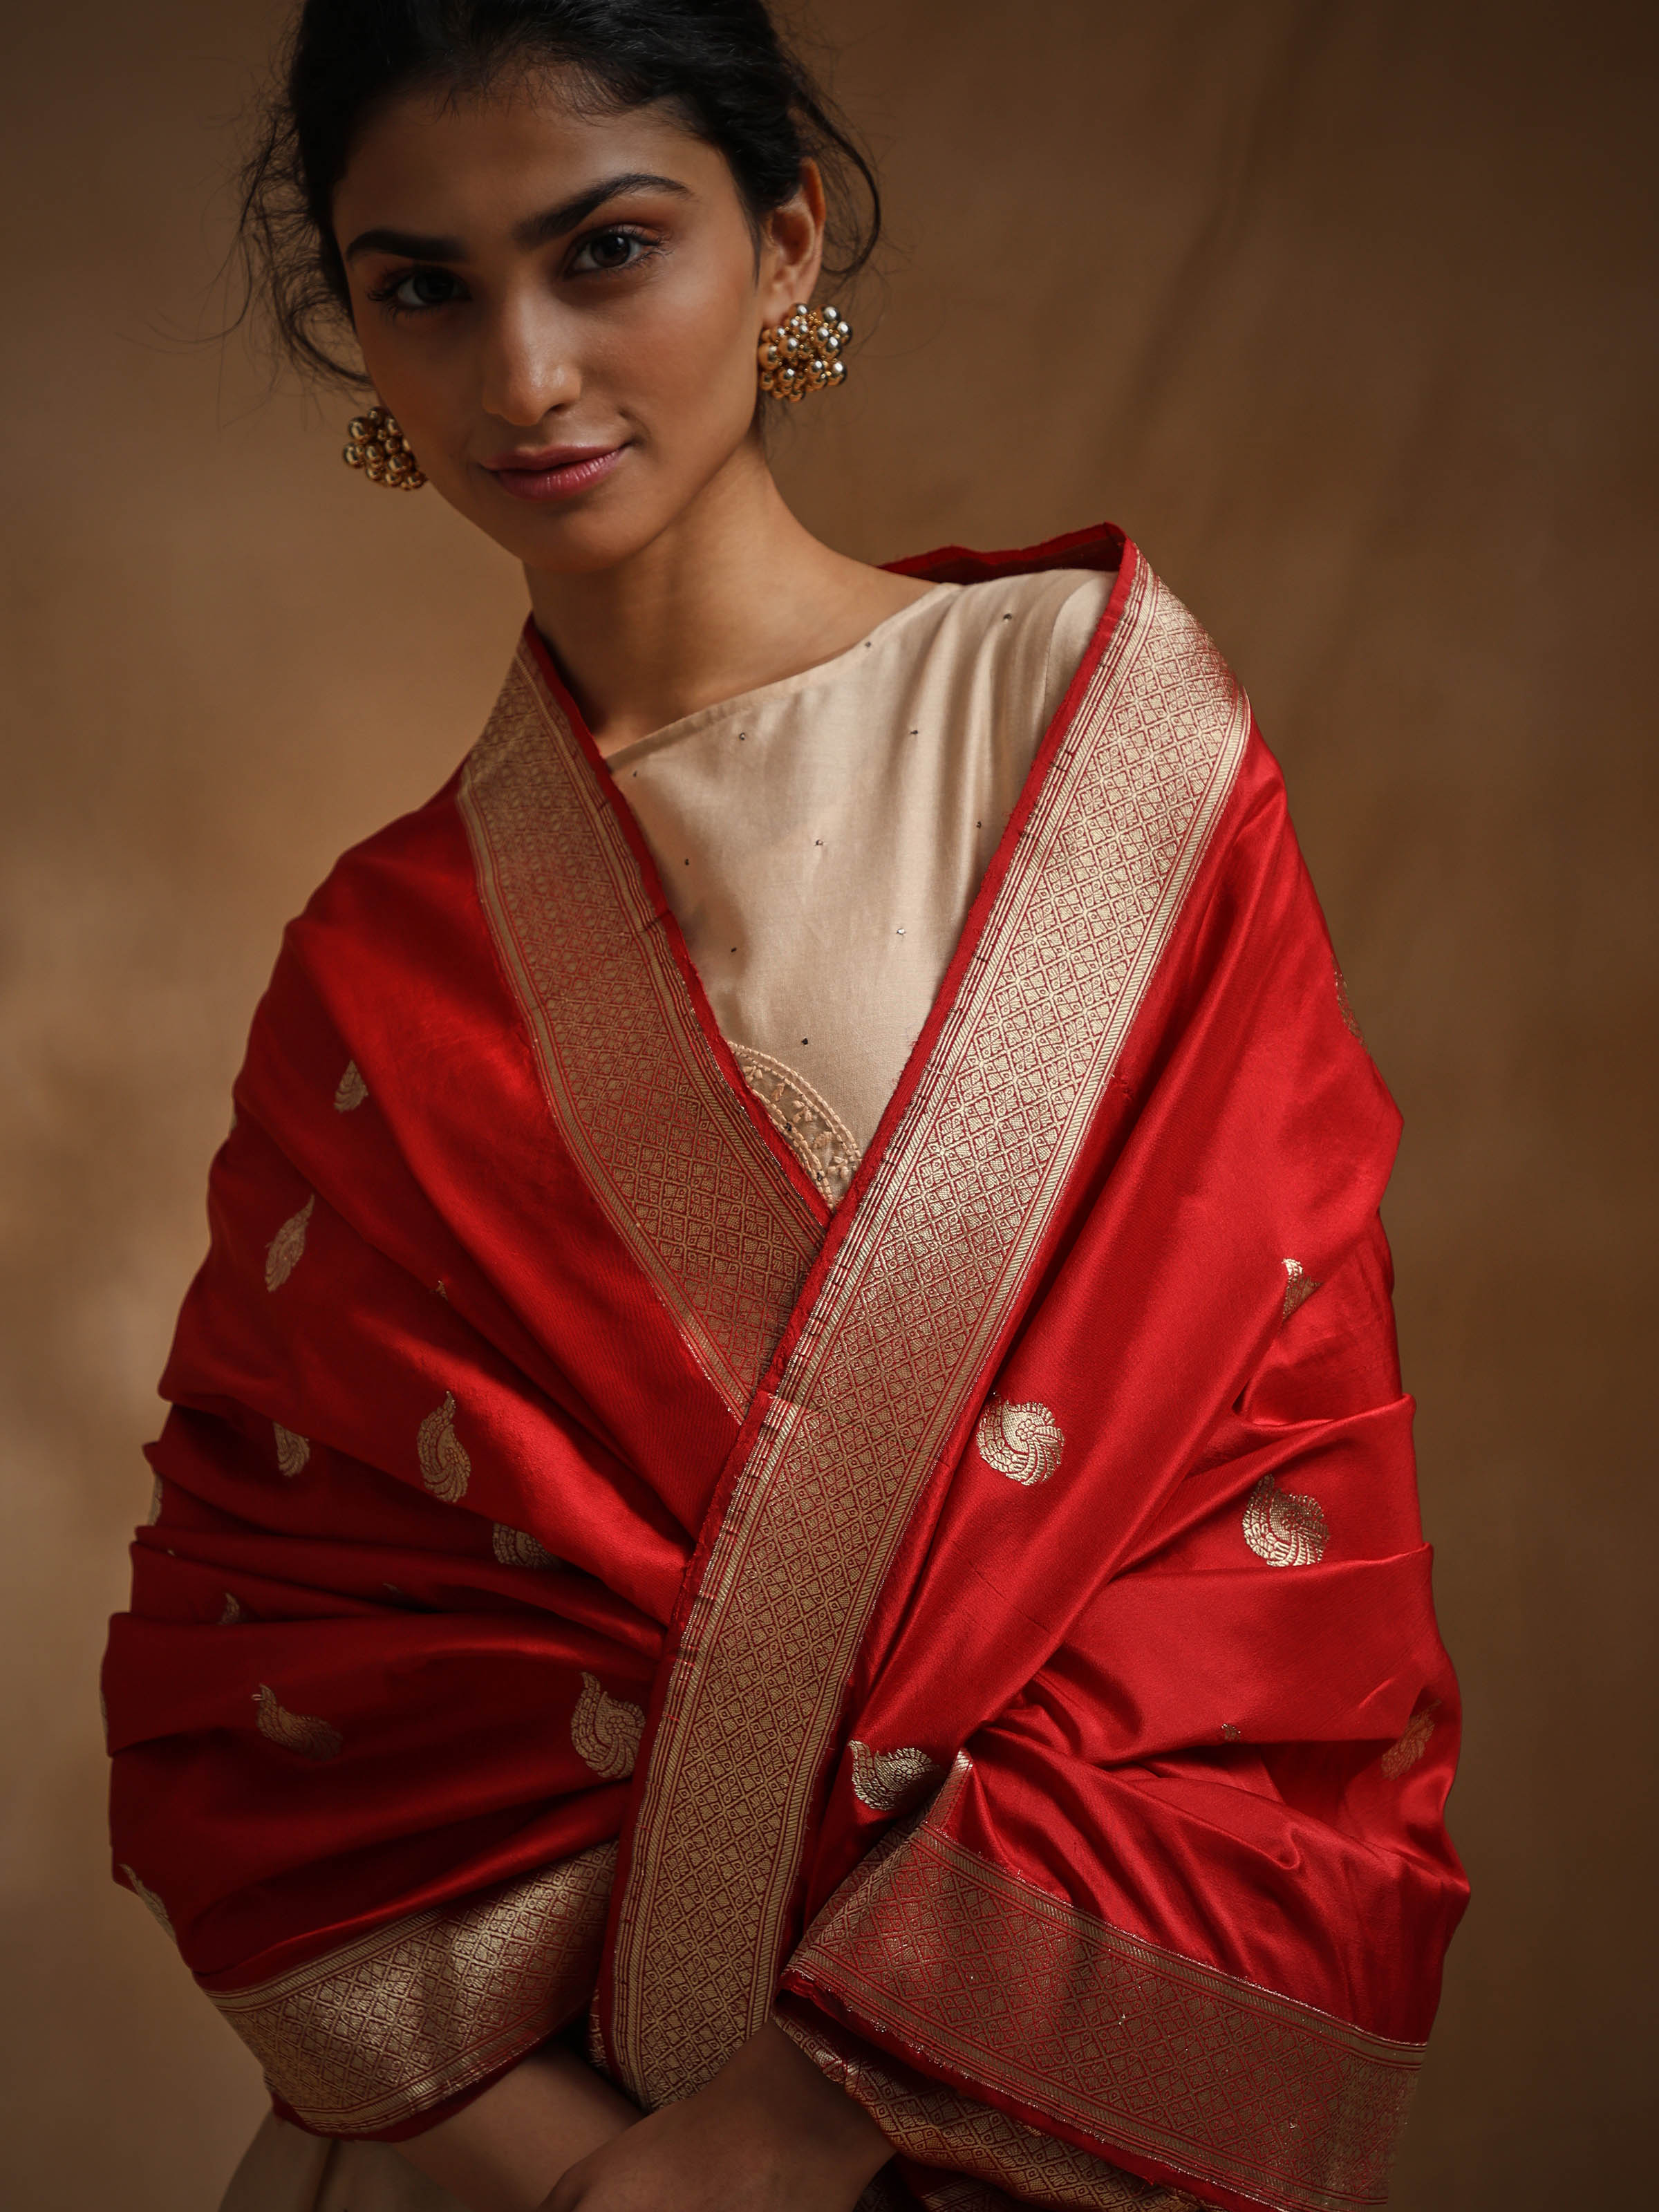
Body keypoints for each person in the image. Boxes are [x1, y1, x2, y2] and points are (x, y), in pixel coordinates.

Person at [101, 5, 1469, 2210]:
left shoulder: (1087, 736)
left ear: (788, 242)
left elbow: (1258, 1511)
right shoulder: (379, 960)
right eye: (423, 288)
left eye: (606, 251)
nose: (524, 373)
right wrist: (589, 2181)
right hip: (496, 2163)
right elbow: (260, 1671)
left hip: (987, 2119)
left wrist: (791, 2127)